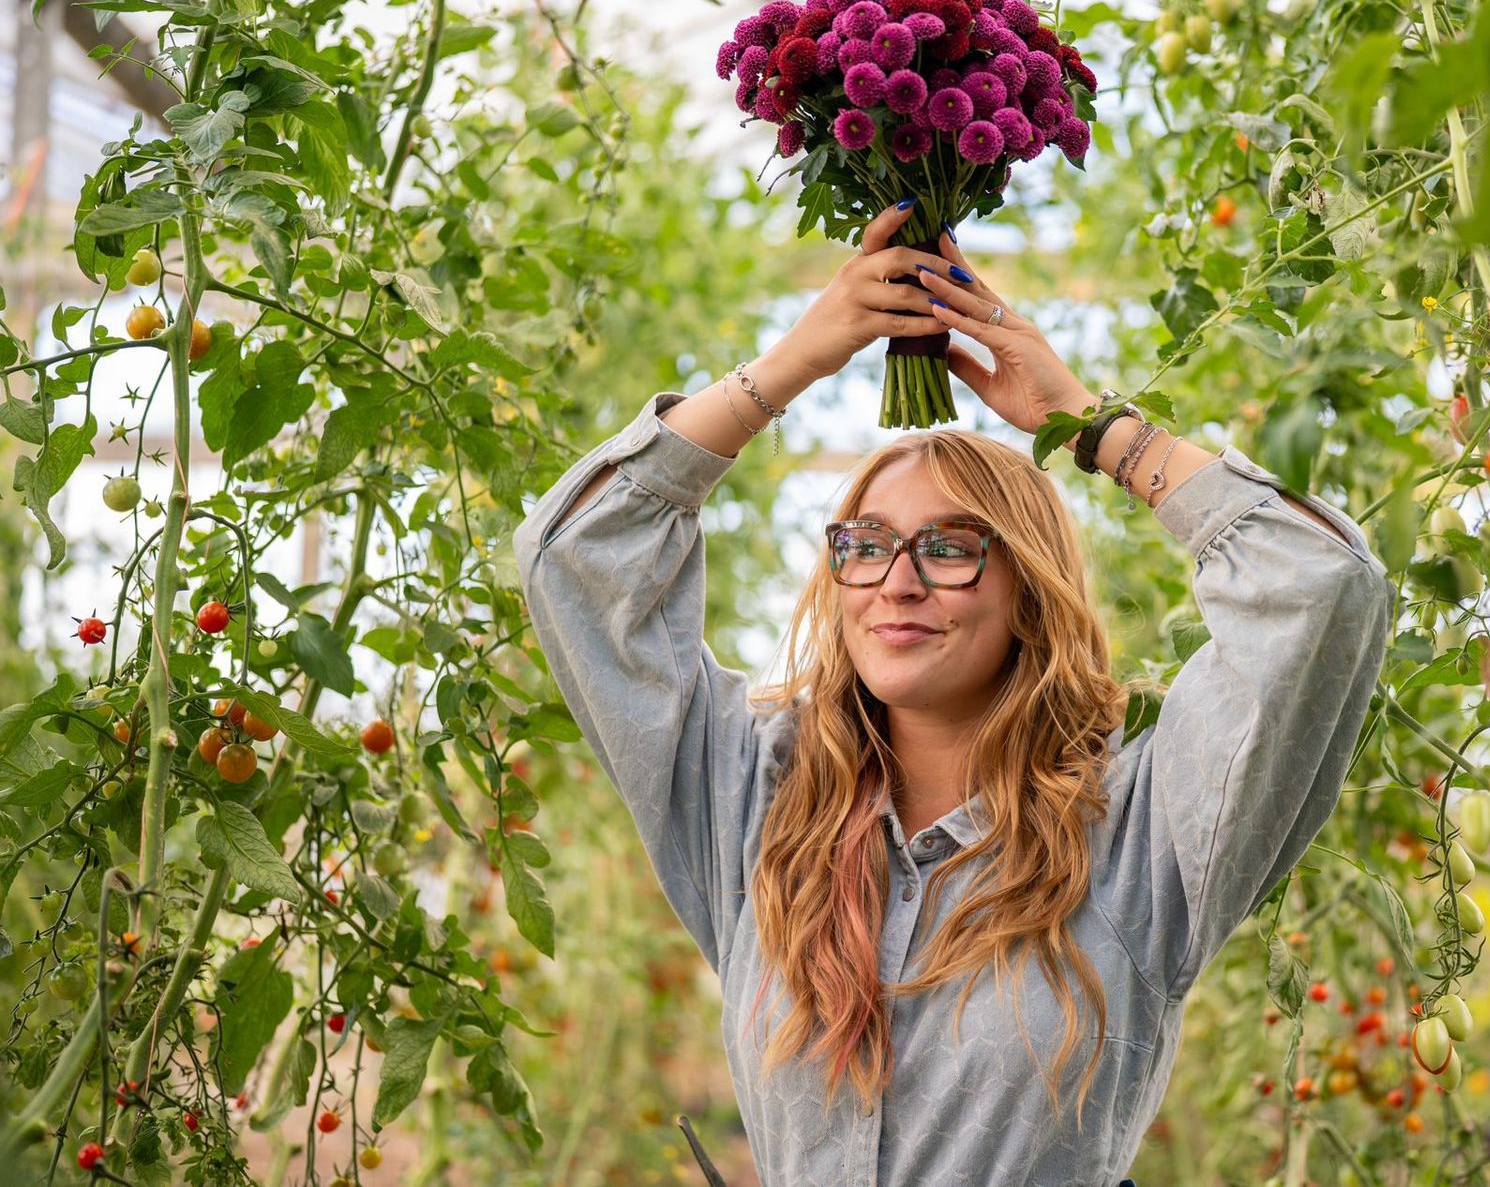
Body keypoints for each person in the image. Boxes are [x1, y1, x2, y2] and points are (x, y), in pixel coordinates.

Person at [510, 202, 1396, 1186]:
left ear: (1030, 590)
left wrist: (1093, 426)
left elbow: (1320, 585)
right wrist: (794, 363)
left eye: (948, 548)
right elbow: (577, 556)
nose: (897, 581)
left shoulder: (1143, 832)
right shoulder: (755, 803)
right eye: (866, 545)